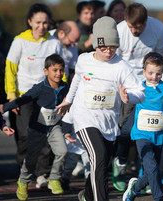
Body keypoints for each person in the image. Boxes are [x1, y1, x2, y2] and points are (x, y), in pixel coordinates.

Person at [56, 16, 145, 201]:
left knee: (102, 164)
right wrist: (69, 100)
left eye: (112, 47)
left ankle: (87, 195)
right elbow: (77, 80)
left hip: (108, 123)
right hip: (85, 117)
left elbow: (141, 92)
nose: (107, 51)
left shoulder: (121, 66)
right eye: (103, 47)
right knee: (99, 155)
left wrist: (129, 96)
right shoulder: (83, 60)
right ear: (95, 44)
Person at [4, 3, 62, 186]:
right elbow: (10, 70)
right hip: (24, 96)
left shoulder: (54, 42)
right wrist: (11, 95)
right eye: (37, 22)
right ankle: (25, 171)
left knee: (46, 135)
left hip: (47, 96)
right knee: (25, 135)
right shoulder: (19, 41)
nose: (41, 26)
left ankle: (42, 174)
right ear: (30, 21)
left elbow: (62, 69)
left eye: (45, 23)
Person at [113, 3, 163, 191]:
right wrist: (120, 90)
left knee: (150, 129)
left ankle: (146, 174)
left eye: (137, 27)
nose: (134, 30)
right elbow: (116, 62)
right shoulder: (119, 30)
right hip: (128, 85)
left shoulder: (158, 27)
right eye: (130, 26)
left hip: (151, 85)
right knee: (126, 130)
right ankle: (120, 164)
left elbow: (161, 57)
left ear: (146, 22)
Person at [0, 54, 68, 200]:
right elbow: (23, 99)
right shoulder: (39, 88)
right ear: (45, 71)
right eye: (54, 70)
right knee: (31, 158)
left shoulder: (65, 88)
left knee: (62, 151)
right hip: (37, 128)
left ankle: (54, 178)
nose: (58, 74)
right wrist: (5, 107)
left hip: (54, 127)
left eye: (61, 70)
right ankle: (23, 181)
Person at [122, 52, 163, 201]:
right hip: (141, 135)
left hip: (160, 136)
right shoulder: (138, 88)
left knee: (153, 170)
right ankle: (159, 198)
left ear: (162, 73)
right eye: (150, 73)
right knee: (151, 167)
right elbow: (127, 104)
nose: (154, 77)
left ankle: (135, 188)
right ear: (144, 72)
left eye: (158, 74)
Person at [61, 111, 90, 191]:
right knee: (69, 166)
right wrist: (67, 133)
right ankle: (64, 181)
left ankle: (89, 186)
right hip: (74, 143)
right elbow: (67, 121)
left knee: (89, 167)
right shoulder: (73, 107)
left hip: (88, 144)